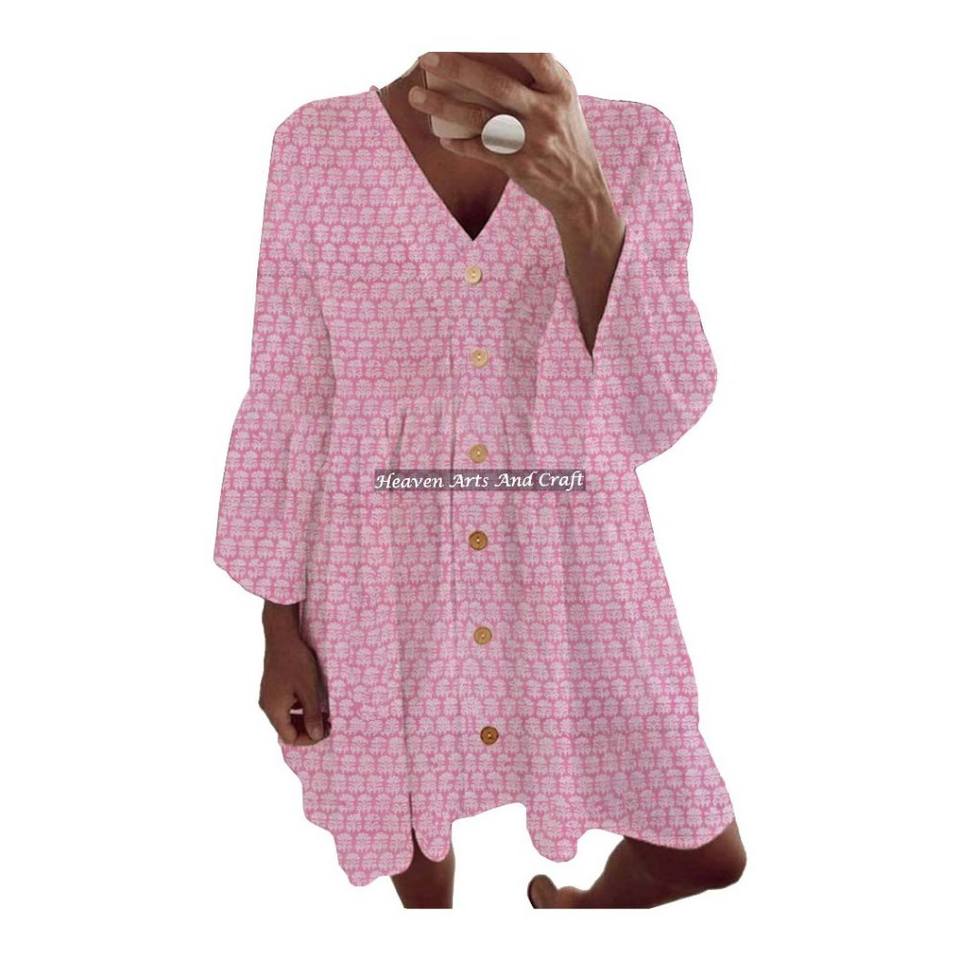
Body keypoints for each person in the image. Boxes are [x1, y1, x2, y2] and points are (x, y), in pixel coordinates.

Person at [214, 51, 747, 908]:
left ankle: (579, 915)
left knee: (706, 855)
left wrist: (583, 198)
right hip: (377, 565)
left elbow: (656, 405)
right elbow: (291, 389)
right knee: (409, 824)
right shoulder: (316, 144)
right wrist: (278, 623)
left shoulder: (633, 141)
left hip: (575, 561)